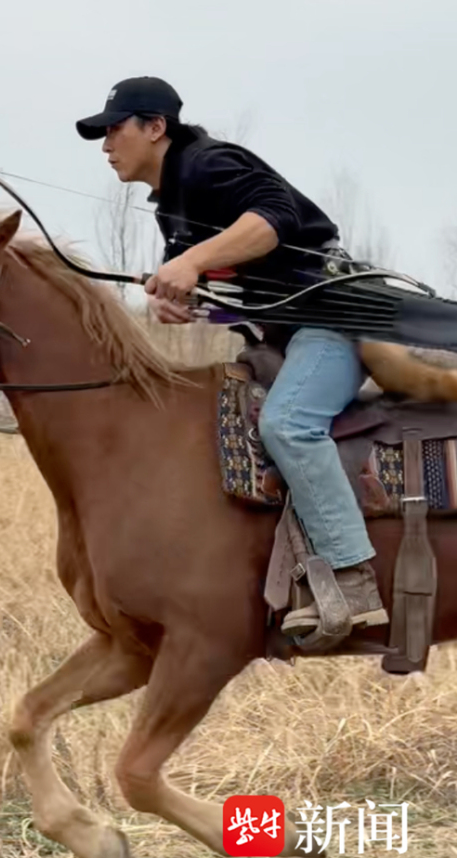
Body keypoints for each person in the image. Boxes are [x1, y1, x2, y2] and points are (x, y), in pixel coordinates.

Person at [75, 76, 389, 639]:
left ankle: (353, 581)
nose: (106, 145)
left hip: (334, 321)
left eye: (114, 130)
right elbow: (217, 282)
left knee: (288, 424)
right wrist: (179, 300)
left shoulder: (208, 164)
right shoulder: (170, 206)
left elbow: (273, 218)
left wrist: (191, 262)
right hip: (280, 340)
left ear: (156, 127)